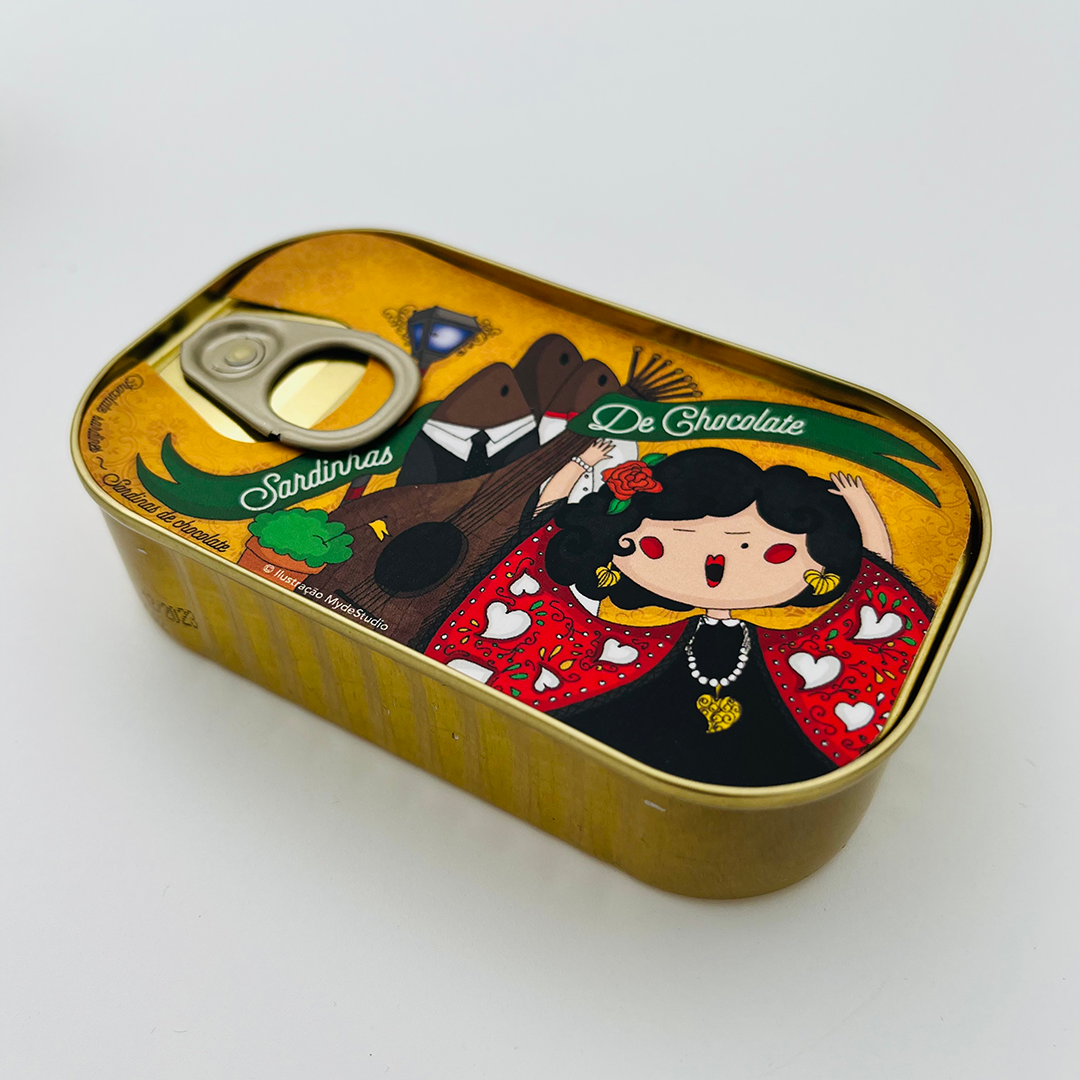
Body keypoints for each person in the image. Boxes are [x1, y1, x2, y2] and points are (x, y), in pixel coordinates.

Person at [424, 447, 933, 787]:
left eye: (767, 552)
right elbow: (542, 544)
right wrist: (579, 467)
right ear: (617, 547)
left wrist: (863, 515)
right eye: (660, 546)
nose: (716, 566)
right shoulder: (617, 644)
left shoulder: (798, 652)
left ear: (819, 563)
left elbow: (872, 594)